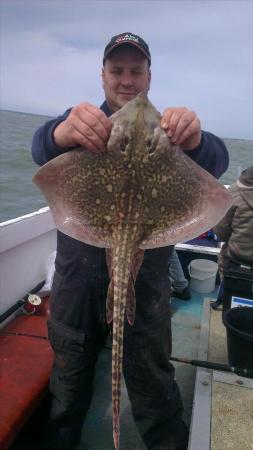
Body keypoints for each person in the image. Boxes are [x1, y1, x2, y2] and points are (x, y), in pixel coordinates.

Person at [31, 32, 229, 450]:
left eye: (135, 71)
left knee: (155, 391)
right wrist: (62, 133)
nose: (126, 80)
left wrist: (195, 140)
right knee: (67, 390)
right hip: (77, 286)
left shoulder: (169, 132)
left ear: (149, 77)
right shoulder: (81, 123)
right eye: (117, 71)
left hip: (147, 286)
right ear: (102, 75)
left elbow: (216, 162)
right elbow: (41, 147)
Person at [211, 165, 253, 309]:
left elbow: (220, 231)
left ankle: (220, 301)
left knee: (227, 267)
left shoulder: (234, 192)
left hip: (237, 256)